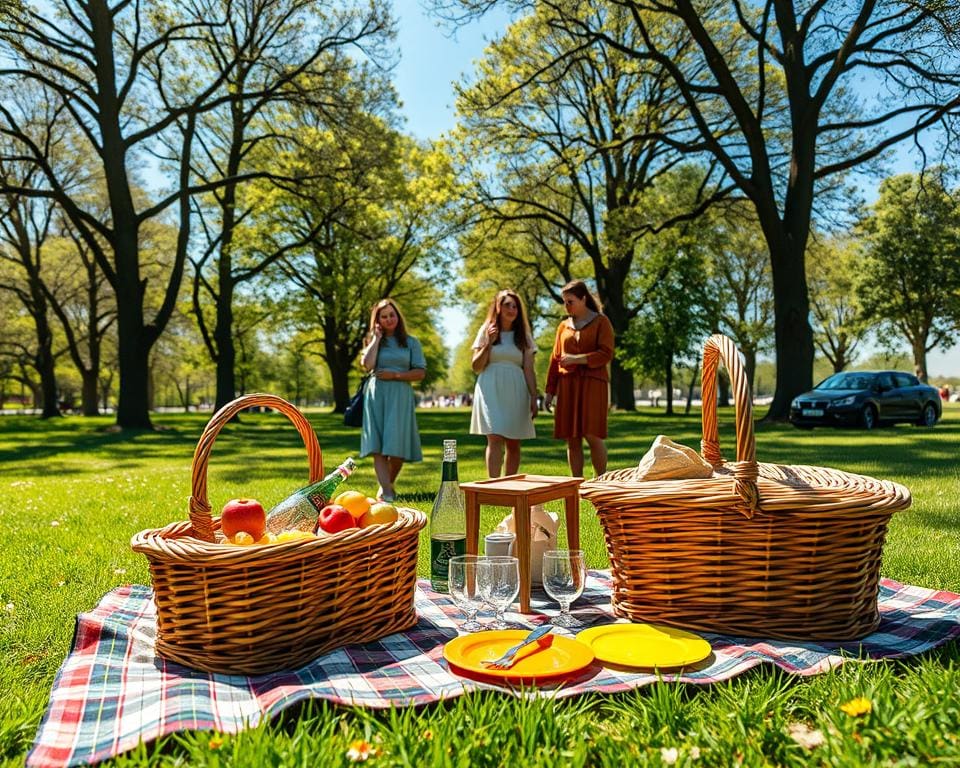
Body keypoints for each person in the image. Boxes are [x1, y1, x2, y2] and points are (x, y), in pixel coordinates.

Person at [544, 279, 614, 477]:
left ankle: (601, 482)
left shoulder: (602, 322)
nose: (566, 306)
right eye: (564, 302)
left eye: (570, 301)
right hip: (567, 386)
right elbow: (555, 360)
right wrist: (550, 391)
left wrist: (579, 359)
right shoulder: (563, 327)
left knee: (592, 435)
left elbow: (606, 353)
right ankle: (576, 486)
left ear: (583, 299)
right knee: (572, 437)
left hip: (593, 384)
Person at [360, 298, 426, 501]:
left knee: (397, 447)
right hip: (376, 394)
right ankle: (387, 491)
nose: (389, 319)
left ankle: (387, 484)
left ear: (398, 316)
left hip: (400, 396)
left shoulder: (411, 342)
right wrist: (376, 339)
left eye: (392, 315)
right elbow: (367, 365)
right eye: (384, 316)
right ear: (377, 320)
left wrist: (396, 375)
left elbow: (420, 372)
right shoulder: (373, 340)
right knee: (377, 446)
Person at [469, 289, 538, 477]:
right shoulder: (486, 330)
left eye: (515, 306)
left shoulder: (524, 336)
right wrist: (488, 343)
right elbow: (476, 366)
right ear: (498, 307)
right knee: (494, 436)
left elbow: (529, 369)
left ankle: (510, 485)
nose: (512, 309)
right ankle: (494, 484)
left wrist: (534, 396)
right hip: (490, 388)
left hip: (516, 389)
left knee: (514, 441)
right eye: (507, 305)